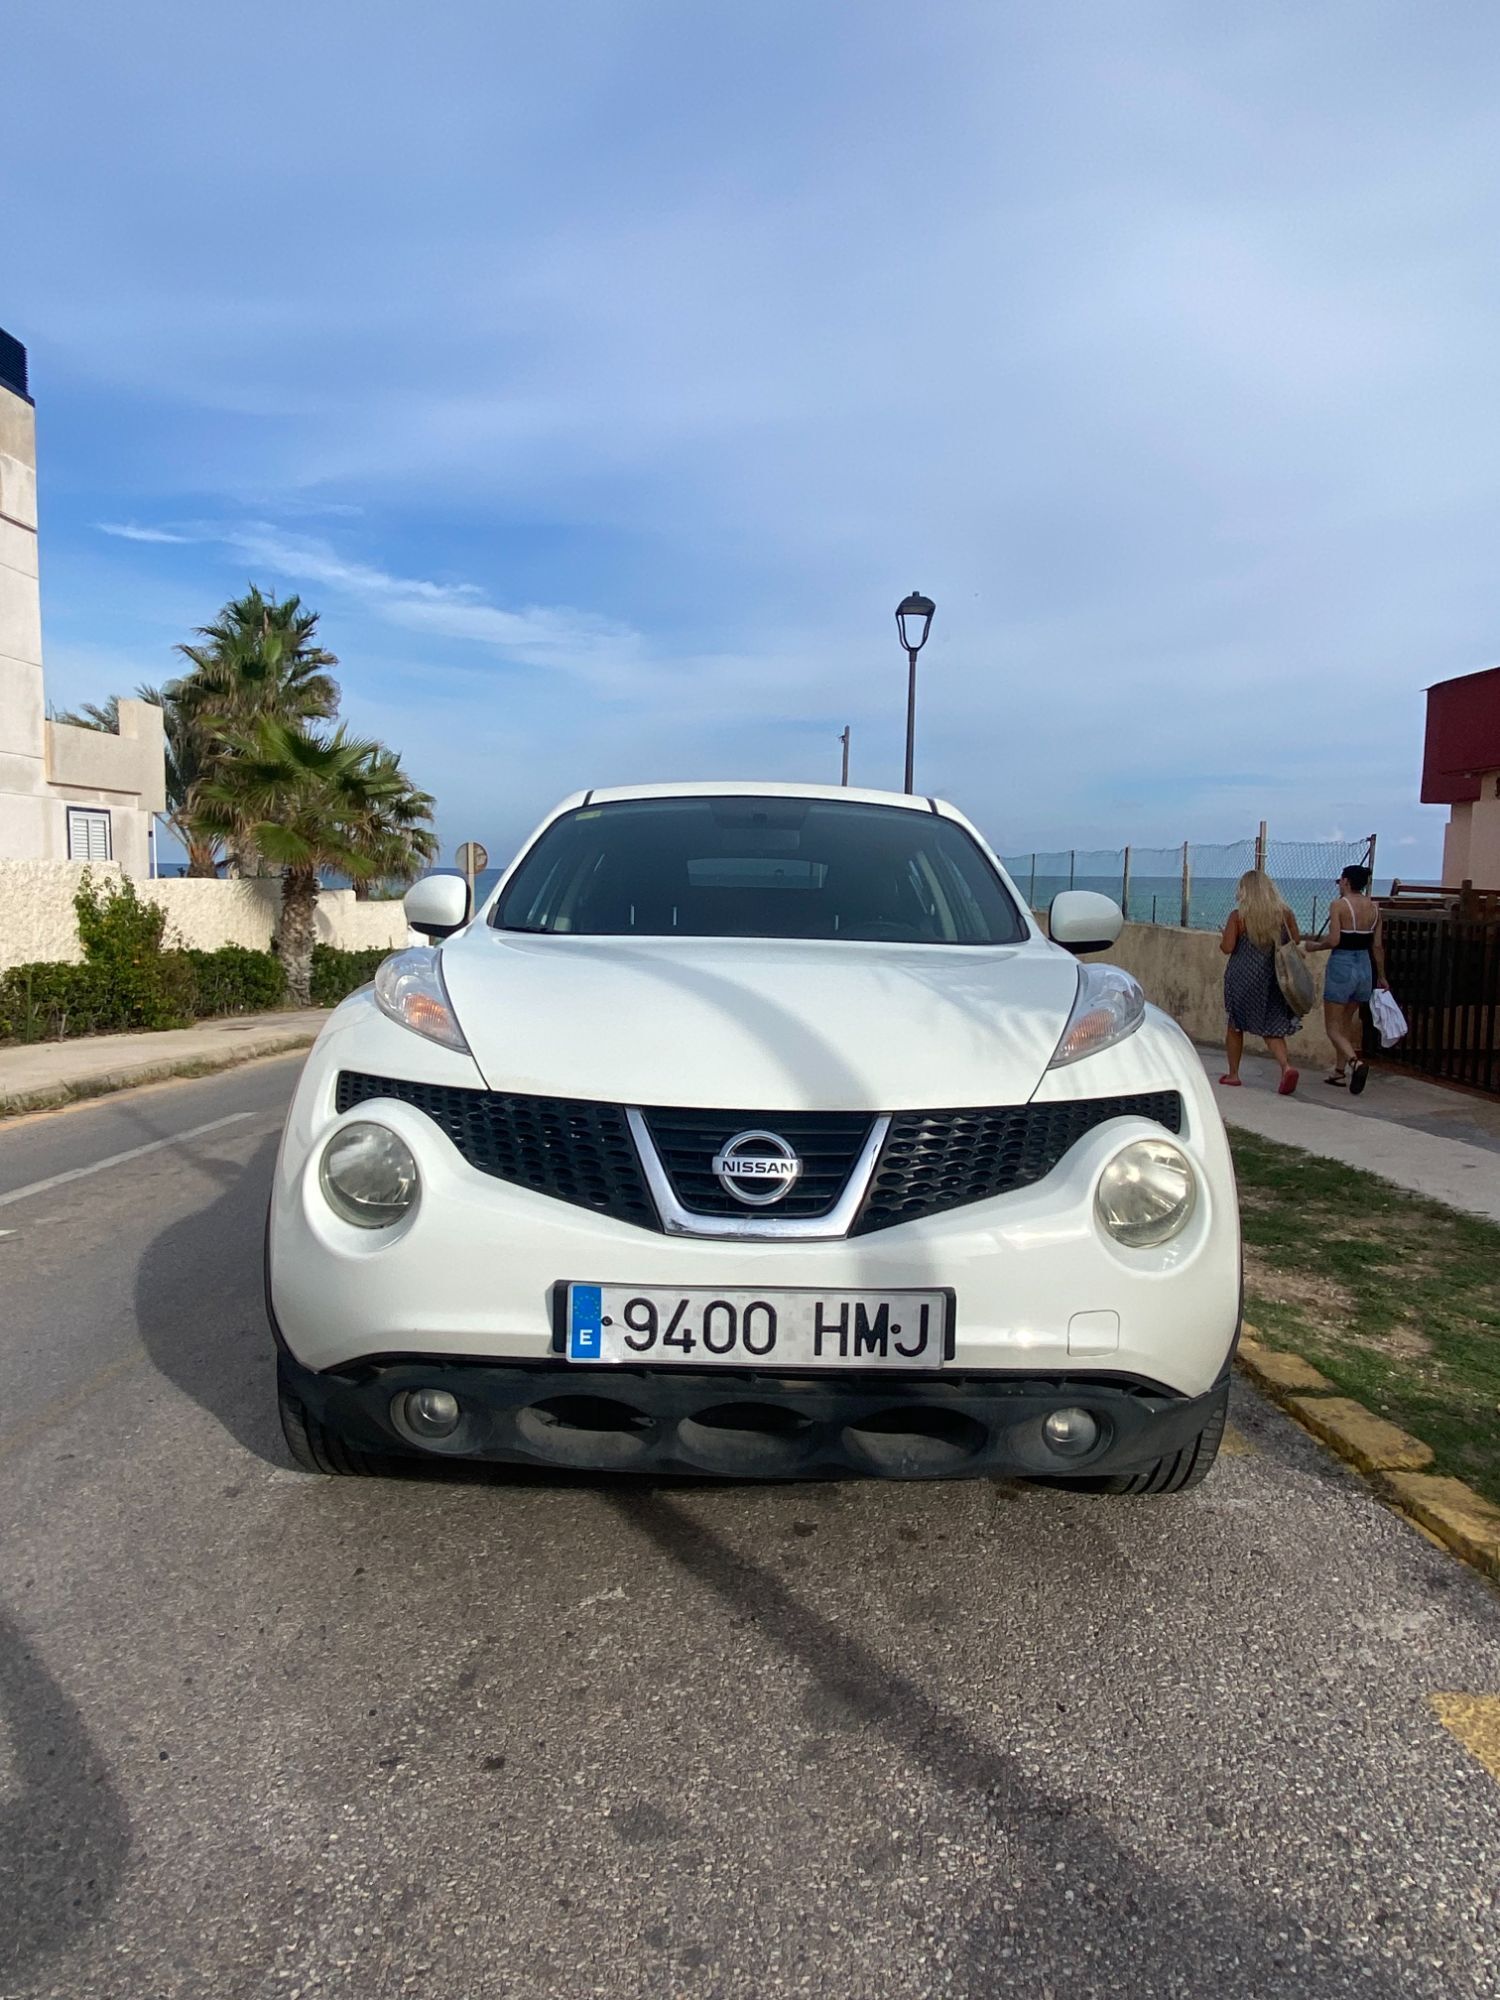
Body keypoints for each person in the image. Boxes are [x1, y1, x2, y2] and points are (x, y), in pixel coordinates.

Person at [1303, 864, 1386, 1094]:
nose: (1339, 884)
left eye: (1340, 880)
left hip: (1343, 964)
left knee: (1332, 1027)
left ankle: (1354, 1063)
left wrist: (1314, 946)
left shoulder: (1339, 906)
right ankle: (1339, 1073)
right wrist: (1382, 976)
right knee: (1346, 1023)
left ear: (1347, 881)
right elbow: (1377, 946)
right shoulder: (1375, 908)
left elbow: (1334, 940)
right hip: (1364, 967)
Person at [1219, 870, 1302, 1094]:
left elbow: (1227, 948)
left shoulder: (1238, 917)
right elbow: (1295, 941)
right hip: (1273, 977)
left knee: (1235, 1025)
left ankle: (1233, 1074)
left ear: (1245, 891)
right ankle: (1286, 1067)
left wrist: (1224, 935)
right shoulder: (1285, 914)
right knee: (1272, 1027)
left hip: (1242, 978)